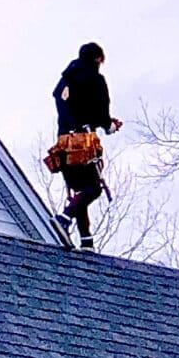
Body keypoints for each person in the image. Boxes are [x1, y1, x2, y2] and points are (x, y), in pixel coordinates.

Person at [48, 41, 122, 249]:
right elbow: (101, 111)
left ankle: (86, 241)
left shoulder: (65, 80)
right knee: (94, 188)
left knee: (80, 190)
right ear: (98, 59)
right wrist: (110, 126)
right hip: (83, 141)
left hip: (63, 142)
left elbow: (61, 101)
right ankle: (64, 218)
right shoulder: (95, 79)